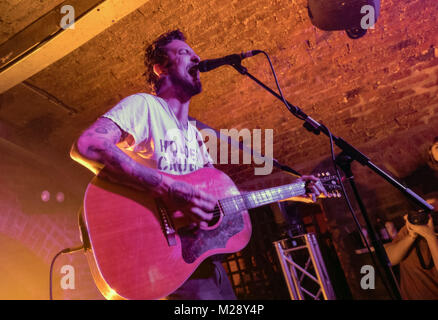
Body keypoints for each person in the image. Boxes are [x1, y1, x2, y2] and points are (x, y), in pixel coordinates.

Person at [70, 29, 326, 300]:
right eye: (184, 53)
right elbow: (87, 146)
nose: (197, 57)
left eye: (195, 53)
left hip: (202, 267)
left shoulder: (194, 136)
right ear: (161, 68)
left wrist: (293, 191)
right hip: (160, 263)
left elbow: (219, 203)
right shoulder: (144, 106)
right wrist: (168, 188)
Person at [384, 195, 438, 299]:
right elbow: (389, 259)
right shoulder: (412, 229)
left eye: (433, 211)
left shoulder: (431, 233)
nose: (429, 216)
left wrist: (430, 236)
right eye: (426, 211)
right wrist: (411, 236)